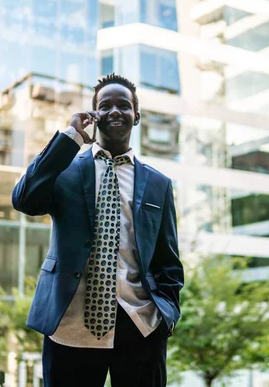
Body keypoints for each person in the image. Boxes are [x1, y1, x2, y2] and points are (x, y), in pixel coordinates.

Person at [12, 73, 184, 386]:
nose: (115, 111)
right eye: (105, 106)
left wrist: (167, 317)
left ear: (137, 115)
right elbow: (24, 199)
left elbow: (168, 260)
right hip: (69, 326)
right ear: (95, 115)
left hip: (140, 325)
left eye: (124, 105)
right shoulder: (65, 170)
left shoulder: (159, 184)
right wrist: (69, 138)